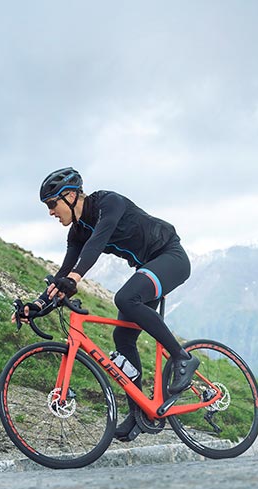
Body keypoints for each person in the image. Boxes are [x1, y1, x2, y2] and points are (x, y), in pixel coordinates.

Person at [23, 167, 199, 442]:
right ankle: (140, 413)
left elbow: (98, 242)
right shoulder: (77, 233)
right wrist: (37, 305)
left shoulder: (108, 203)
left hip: (170, 257)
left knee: (126, 298)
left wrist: (75, 279)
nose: (51, 212)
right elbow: (63, 273)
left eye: (52, 204)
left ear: (70, 195)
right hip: (147, 267)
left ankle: (182, 357)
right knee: (123, 337)